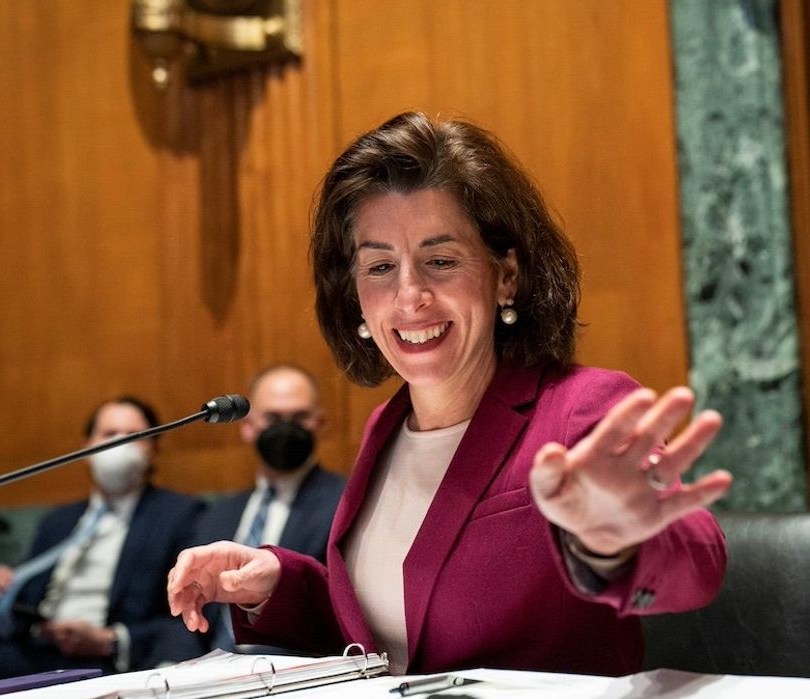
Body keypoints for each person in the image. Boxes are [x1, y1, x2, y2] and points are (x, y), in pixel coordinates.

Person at [167, 112, 734, 676]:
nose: (410, 296)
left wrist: (613, 546)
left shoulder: (580, 408)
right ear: (355, 296)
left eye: (440, 261)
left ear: (505, 275)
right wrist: (279, 586)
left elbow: (697, 563)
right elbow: (398, 636)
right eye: (381, 266)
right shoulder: (386, 428)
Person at [0, 397, 204, 678]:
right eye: (109, 434)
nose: (120, 444)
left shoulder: (179, 514)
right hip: (34, 650)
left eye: (134, 436)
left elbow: (183, 615)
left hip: (107, 661)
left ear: (153, 448)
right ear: (87, 446)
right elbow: (26, 604)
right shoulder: (57, 521)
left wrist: (111, 640)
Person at [192, 364, 345, 651]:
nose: (286, 428)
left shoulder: (345, 503)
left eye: (299, 417)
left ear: (320, 424)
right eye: (273, 418)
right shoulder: (215, 515)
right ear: (247, 427)